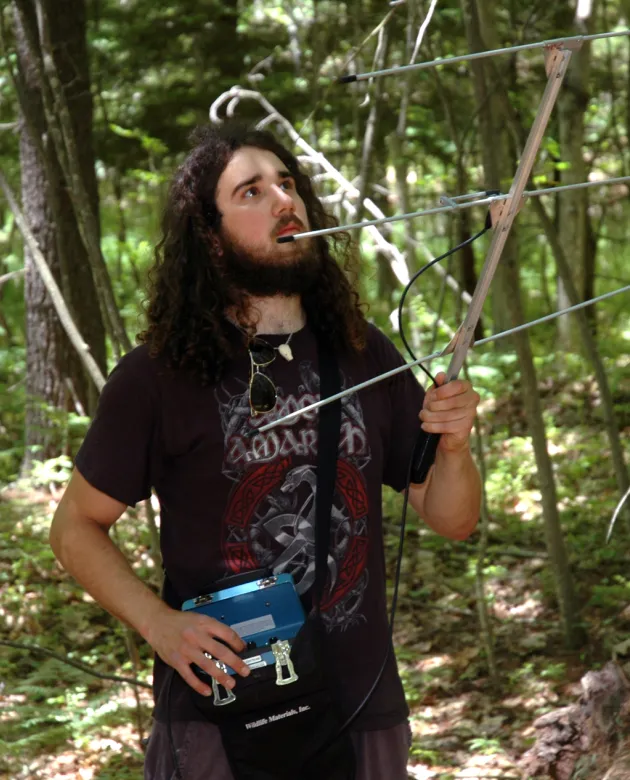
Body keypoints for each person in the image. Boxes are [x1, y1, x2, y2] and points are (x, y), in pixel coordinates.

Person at [49, 122, 482, 780]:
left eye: (287, 184)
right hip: (222, 717)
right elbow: (74, 527)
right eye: (250, 191)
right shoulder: (158, 376)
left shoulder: (365, 352)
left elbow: (453, 519)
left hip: (360, 708)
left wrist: (453, 449)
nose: (284, 200)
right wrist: (161, 626)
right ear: (210, 238)